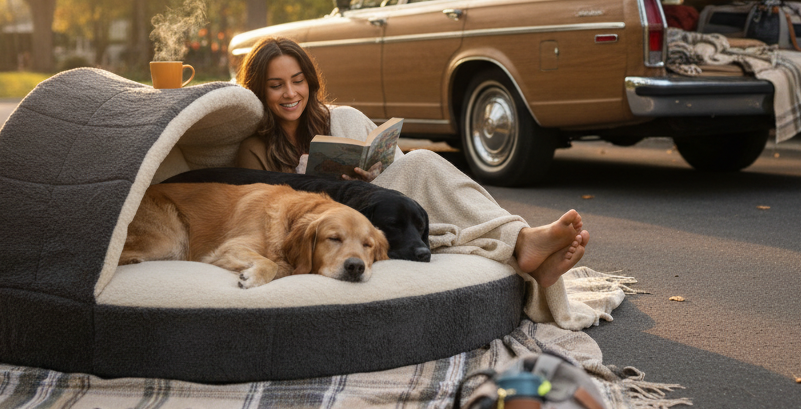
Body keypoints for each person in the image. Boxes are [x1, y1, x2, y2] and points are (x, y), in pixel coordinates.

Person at [233, 36, 592, 326]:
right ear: (259, 90)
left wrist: (366, 176)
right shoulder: (254, 146)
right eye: (276, 85)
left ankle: (522, 238)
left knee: (420, 162)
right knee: (428, 187)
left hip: (370, 209)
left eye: (298, 81)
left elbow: (399, 174)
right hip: (323, 226)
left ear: (309, 81)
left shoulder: (341, 119)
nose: (291, 93)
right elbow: (267, 208)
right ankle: (523, 245)